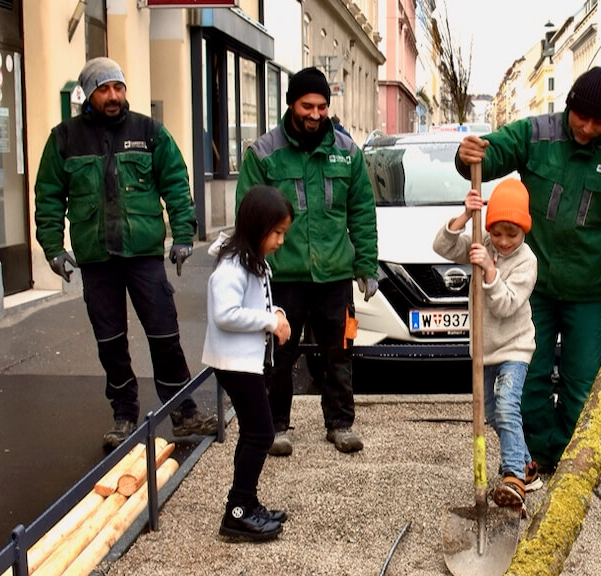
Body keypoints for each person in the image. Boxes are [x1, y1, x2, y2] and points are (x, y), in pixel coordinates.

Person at [454, 66, 601, 474]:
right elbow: (491, 153)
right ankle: (535, 457)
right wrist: (470, 156)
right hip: (534, 289)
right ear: (568, 107)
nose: (586, 127)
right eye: (580, 116)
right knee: (527, 378)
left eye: (598, 121)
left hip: (590, 292)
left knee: (584, 383)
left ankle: (570, 460)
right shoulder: (536, 135)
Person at [34, 57, 218, 451]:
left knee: (164, 334)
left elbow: (175, 183)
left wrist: (183, 235)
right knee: (110, 341)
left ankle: (184, 413)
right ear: (88, 93)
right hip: (97, 260)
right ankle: (123, 415)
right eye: (104, 89)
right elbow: (48, 197)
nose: (114, 96)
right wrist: (52, 247)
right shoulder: (65, 138)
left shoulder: (149, 132)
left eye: (118, 87)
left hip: (143, 257)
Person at [235, 67, 378, 456]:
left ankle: (340, 423)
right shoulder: (264, 153)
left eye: (322, 106)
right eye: (307, 106)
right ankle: (276, 425)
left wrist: (366, 265)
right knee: (279, 353)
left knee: (339, 349)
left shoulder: (347, 153)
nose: (316, 114)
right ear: (291, 104)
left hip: (333, 274)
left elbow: (362, 211)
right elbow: (248, 213)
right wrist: (249, 267)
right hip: (283, 275)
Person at [432, 179, 541, 508]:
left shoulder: (526, 262)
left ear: (524, 231)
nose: (504, 242)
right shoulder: (484, 244)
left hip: (514, 348)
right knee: (492, 414)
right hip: (483, 349)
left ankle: (513, 478)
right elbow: (443, 246)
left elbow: (506, 305)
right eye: (497, 233)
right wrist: (466, 217)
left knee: (507, 408)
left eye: (513, 234)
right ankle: (527, 467)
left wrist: (489, 270)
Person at [203, 185, 293, 541]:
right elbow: (225, 314)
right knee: (261, 433)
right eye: (277, 233)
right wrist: (270, 321)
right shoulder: (231, 267)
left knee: (254, 432)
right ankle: (237, 512)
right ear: (257, 226)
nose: (280, 241)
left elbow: (257, 301)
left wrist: (276, 312)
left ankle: (246, 504)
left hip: (246, 361)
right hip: (234, 362)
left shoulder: (250, 259)